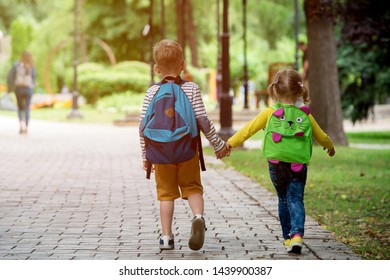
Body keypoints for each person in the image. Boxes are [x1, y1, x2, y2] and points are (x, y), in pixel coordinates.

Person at [218, 69, 335, 254]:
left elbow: (248, 129)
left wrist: (230, 143)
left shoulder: (268, 113)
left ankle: (288, 238)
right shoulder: (305, 115)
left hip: (276, 163)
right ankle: (297, 235)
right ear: (299, 91)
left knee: (283, 199)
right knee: (295, 198)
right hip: (298, 163)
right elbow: (321, 136)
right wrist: (330, 147)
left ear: (275, 90)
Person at [139, 39, 226, 250]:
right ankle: (198, 217)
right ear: (183, 66)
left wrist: (145, 156)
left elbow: (142, 128)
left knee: (166, 195)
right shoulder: (192, 89)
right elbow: (202, 121)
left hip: (160, 154)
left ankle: (167, 237)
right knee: (193, 188)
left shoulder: (151, 93)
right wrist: (218, 144)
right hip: (188, 151)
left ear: (156, 68)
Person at [7, 51, 36, 134]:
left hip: (19, 89)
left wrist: (9, 88)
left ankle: (21, 125)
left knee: (20, 108)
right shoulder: (31, 66)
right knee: (27, 108)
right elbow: (34, 77)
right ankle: (26, 126)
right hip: (28, 88)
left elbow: (11, 76)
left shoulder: (17, 65)